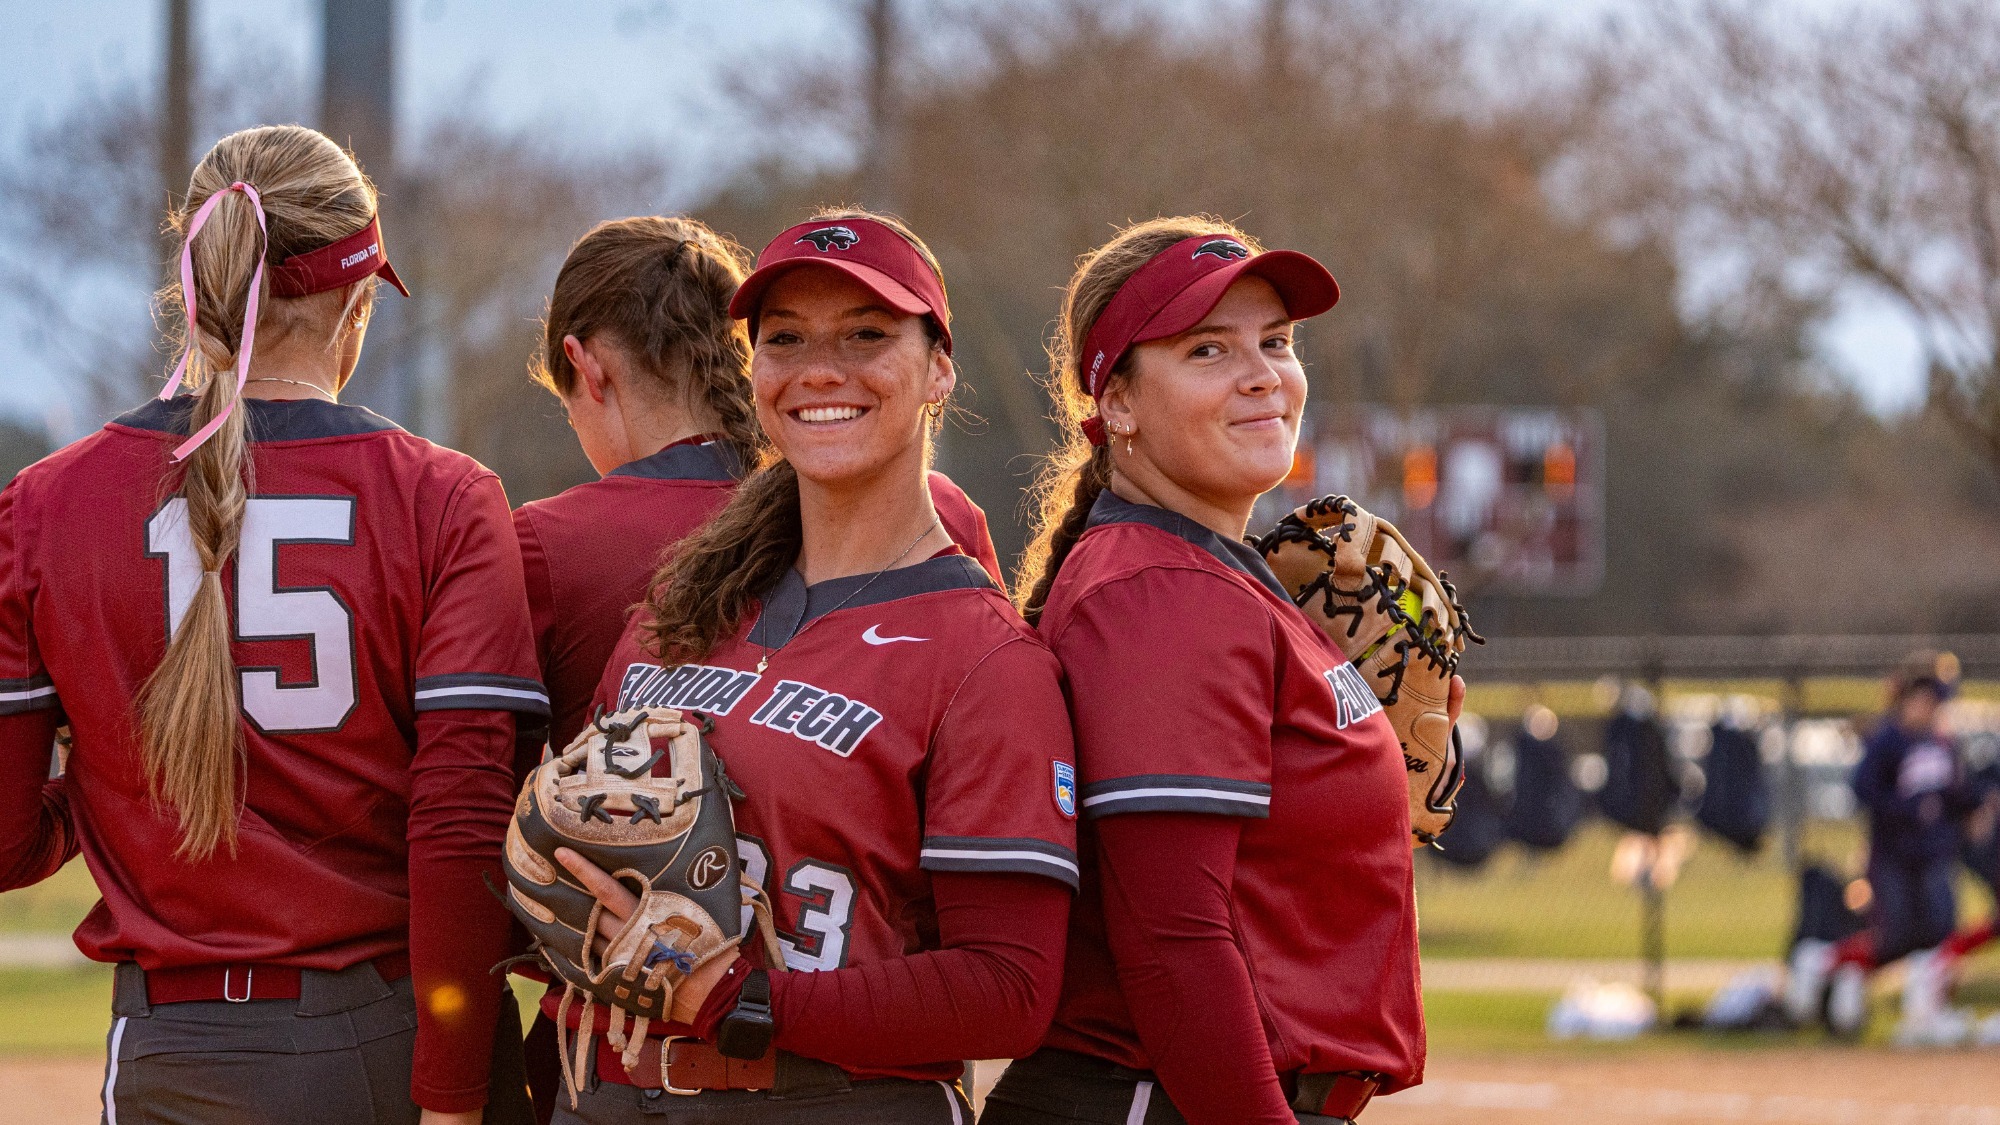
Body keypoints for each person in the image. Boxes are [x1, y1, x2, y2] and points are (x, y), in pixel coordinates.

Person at [0, 125, 543, 1124]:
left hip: (168, 1046)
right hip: (382, 1039)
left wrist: (110, 783)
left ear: (199, 288)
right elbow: (458, 827)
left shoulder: (42, 507)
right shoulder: (444, 498)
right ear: (359, 303)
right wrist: (456, 1093)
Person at [540, 210, 1079, 1123]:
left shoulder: (984, 657)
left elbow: (1009, 988)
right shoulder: (676, 612)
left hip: (823, 1098)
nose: (821, 370)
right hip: (605, 1094)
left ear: (939, 368)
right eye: (785, 339)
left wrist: (741, 998)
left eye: (867, 336)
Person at [983, 217, 1446, 1125]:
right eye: (1207, 349)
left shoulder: (1201, 575)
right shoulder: (1163, 592)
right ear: (1116, 400)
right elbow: (1173, 946)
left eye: (1275, 342)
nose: (1262, 374)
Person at [1801, 652, 1984, 1045]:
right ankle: (1825, 965)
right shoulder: (1889, 740)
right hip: (1894, 857)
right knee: (1894, 938)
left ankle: (1927, 1014)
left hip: (1934, 854)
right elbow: (1864, 790)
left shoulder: (1942, 741)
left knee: (1940, 935)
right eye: (1928, 700)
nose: (1934, 708)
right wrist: (1908, 809)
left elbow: (1956, 793)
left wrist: (1972, 809)